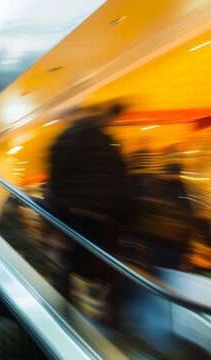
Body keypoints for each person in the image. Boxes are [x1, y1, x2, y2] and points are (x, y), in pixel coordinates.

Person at [45, 104, 134, 325]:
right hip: (105, 217)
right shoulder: (106, 142)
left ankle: (68, 310)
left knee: (74, 261)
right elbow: (120, 178)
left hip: (72, 214)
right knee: (103, 266)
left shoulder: (64, 139)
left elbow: (56, 179)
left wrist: (55, 210)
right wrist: (122, 213)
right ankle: (104, 315)